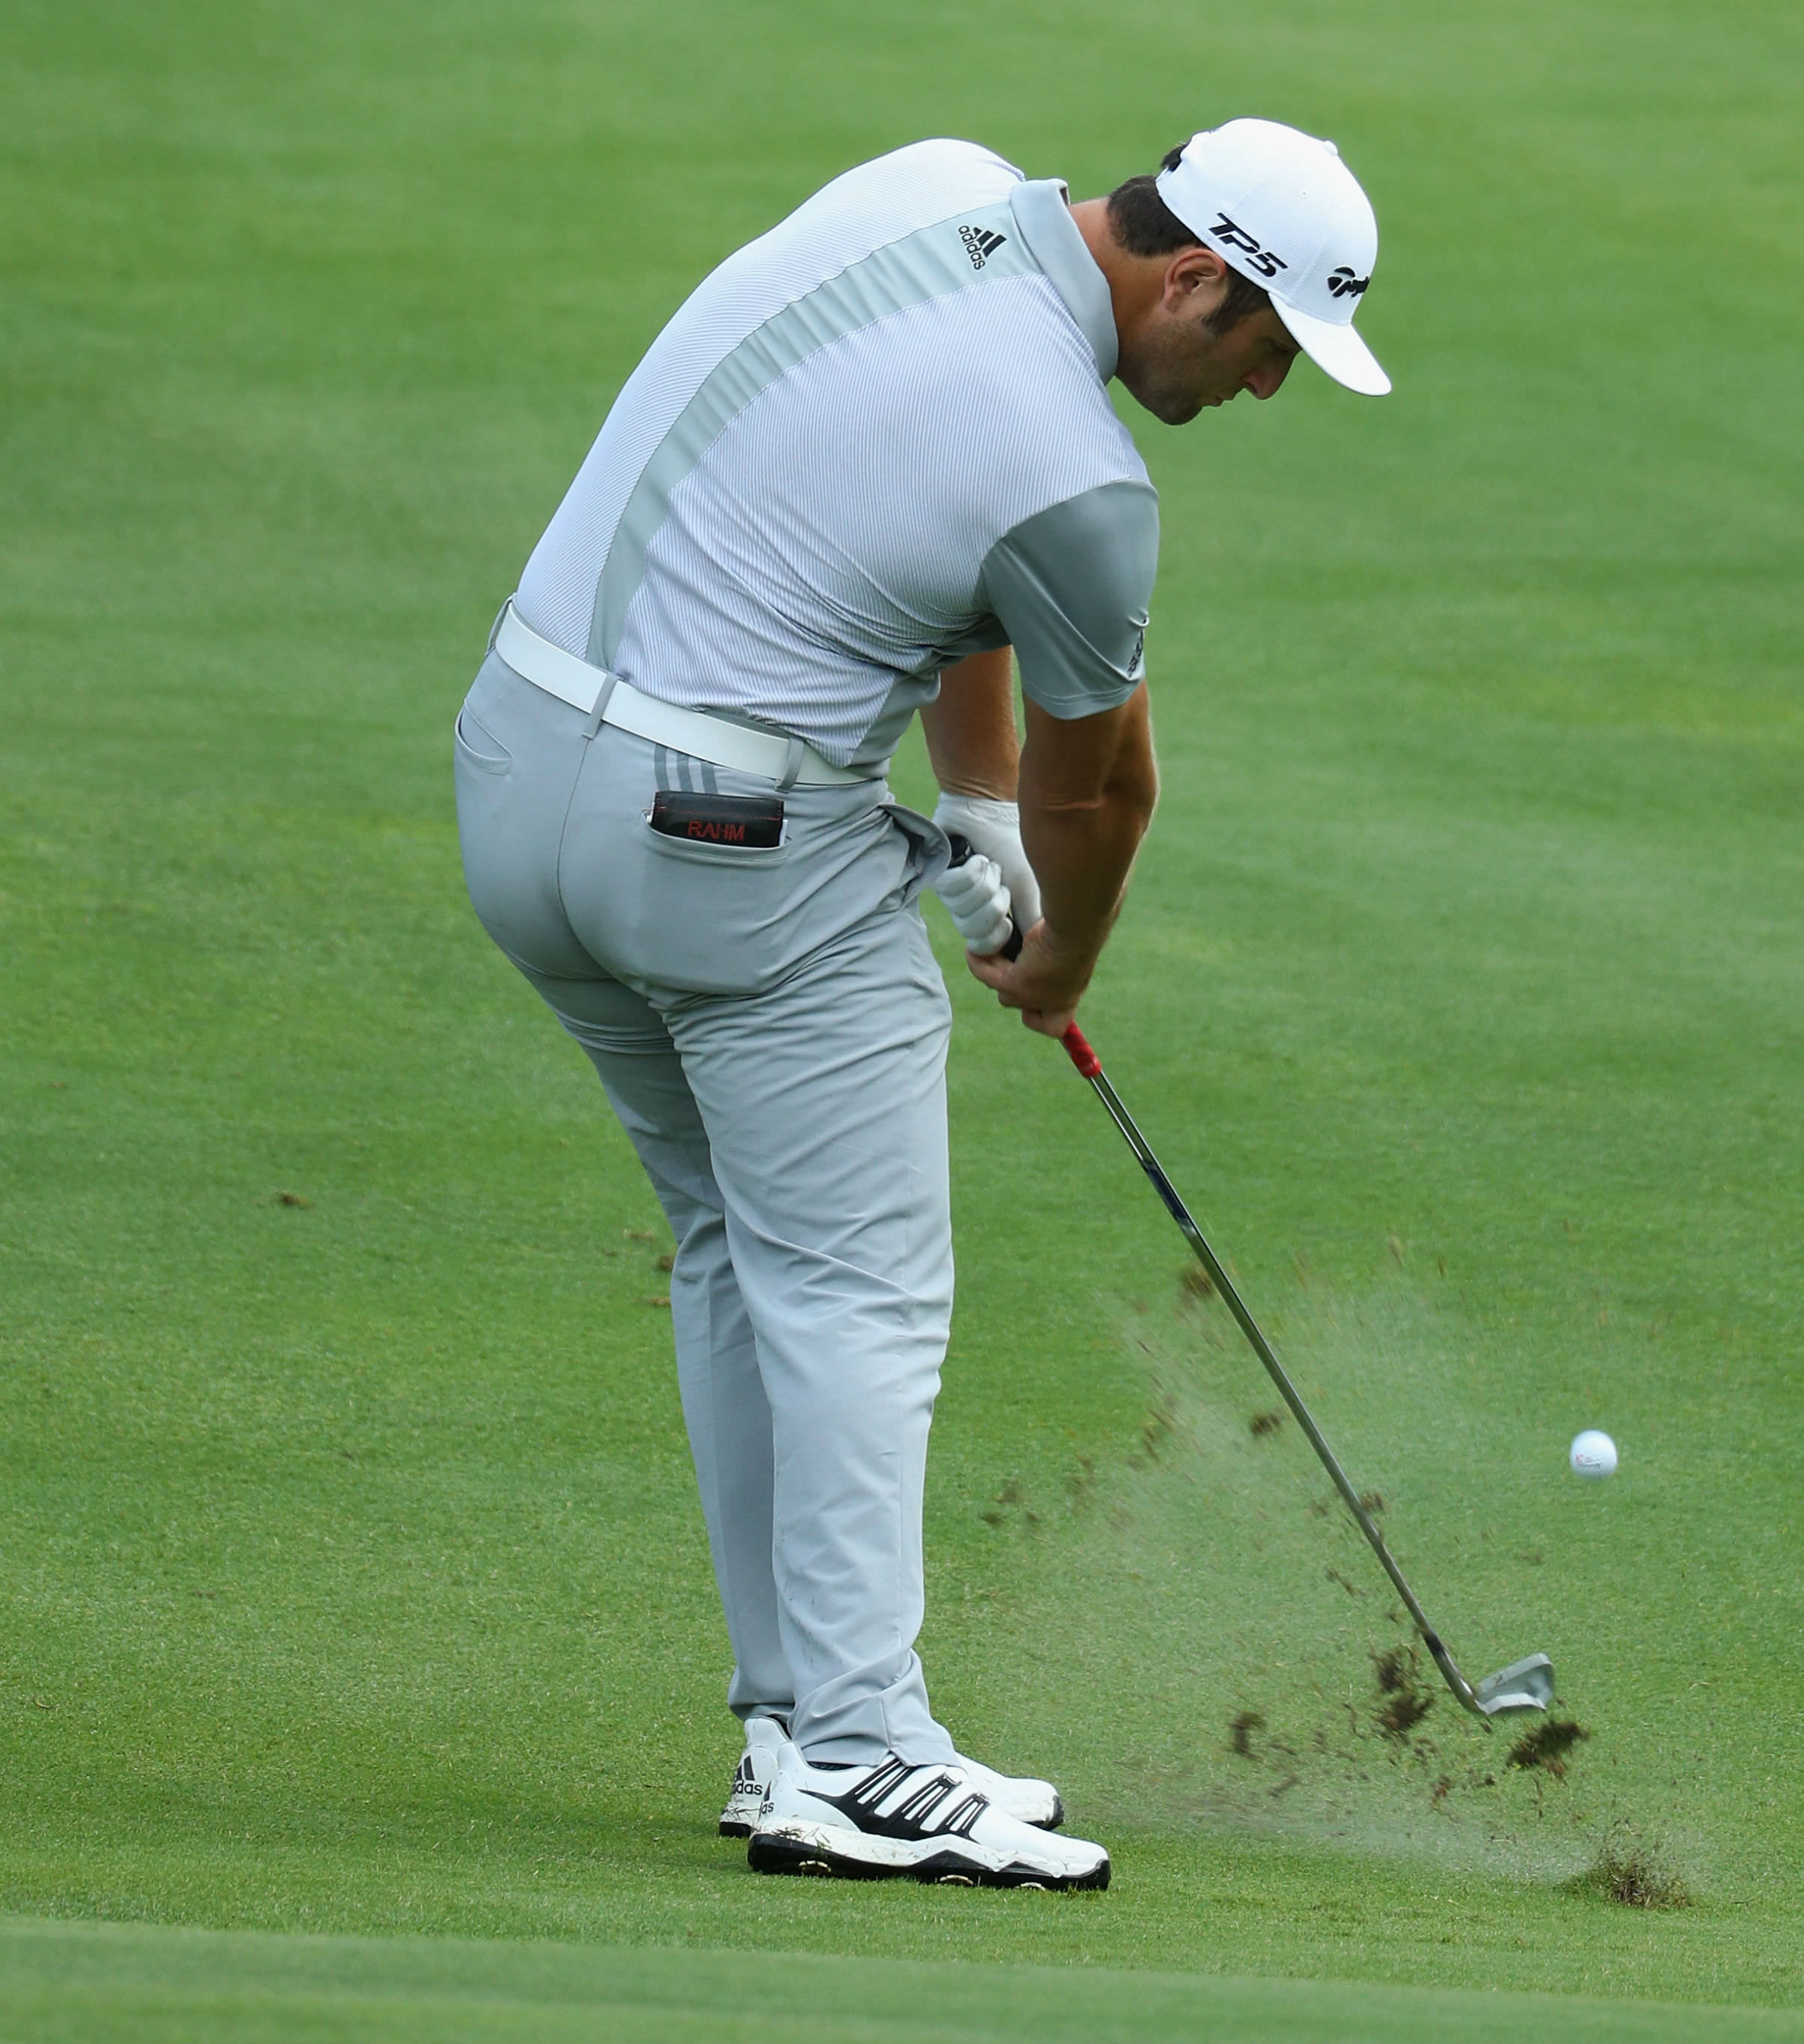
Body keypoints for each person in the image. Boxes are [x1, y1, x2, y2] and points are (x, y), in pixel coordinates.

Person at [452, 118, 1387, 1891]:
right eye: (1265, 348)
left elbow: (931, 545)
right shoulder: (1083, 481)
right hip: (716, 846)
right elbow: (1103, 795)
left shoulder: (930, 182)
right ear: (1195, 278)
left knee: (744, 1247)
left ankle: (796, 1731)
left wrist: (963, 808)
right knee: (861, 1289)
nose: (1263, 391)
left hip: (518, 779)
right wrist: (1056, 958)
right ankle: (870, 1751)